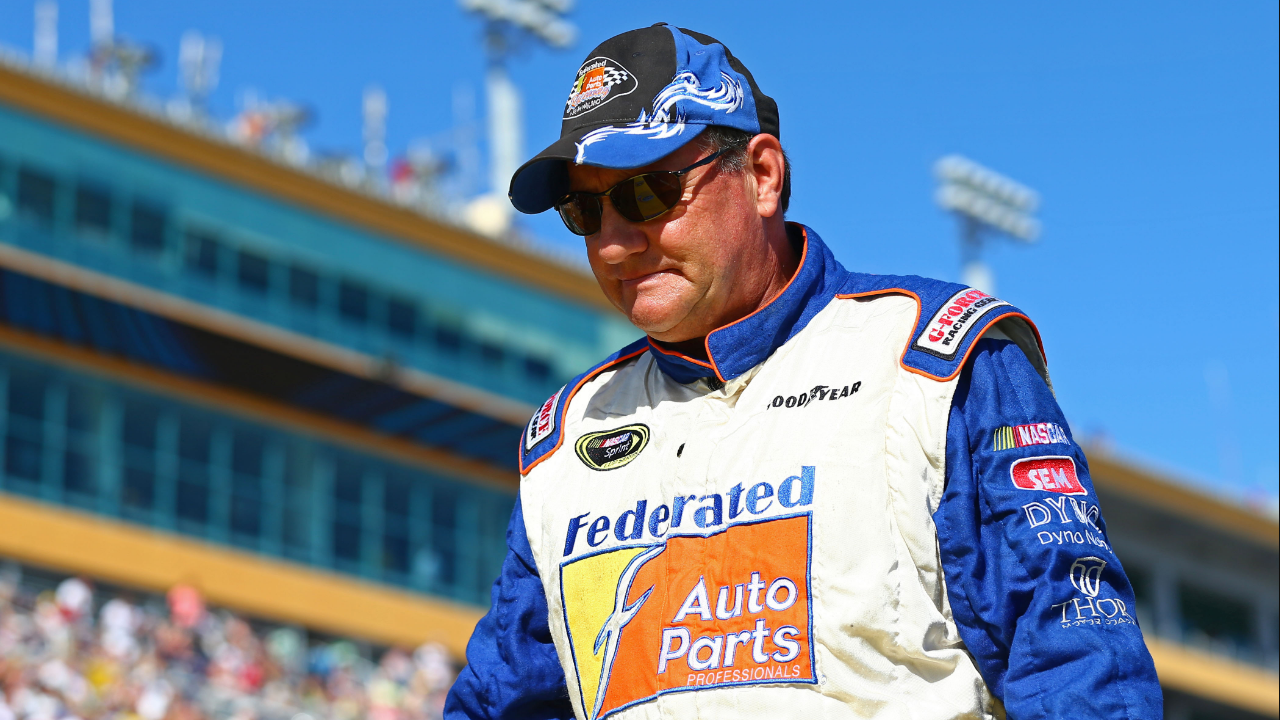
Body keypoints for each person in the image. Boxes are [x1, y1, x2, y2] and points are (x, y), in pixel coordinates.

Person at [445, 23, 1161, 720]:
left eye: (646, 193)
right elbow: (502, 701)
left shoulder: (936, 359)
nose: (613, 244)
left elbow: (1074, 663)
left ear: (761, 175)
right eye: (585, 209)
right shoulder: (567, 438)